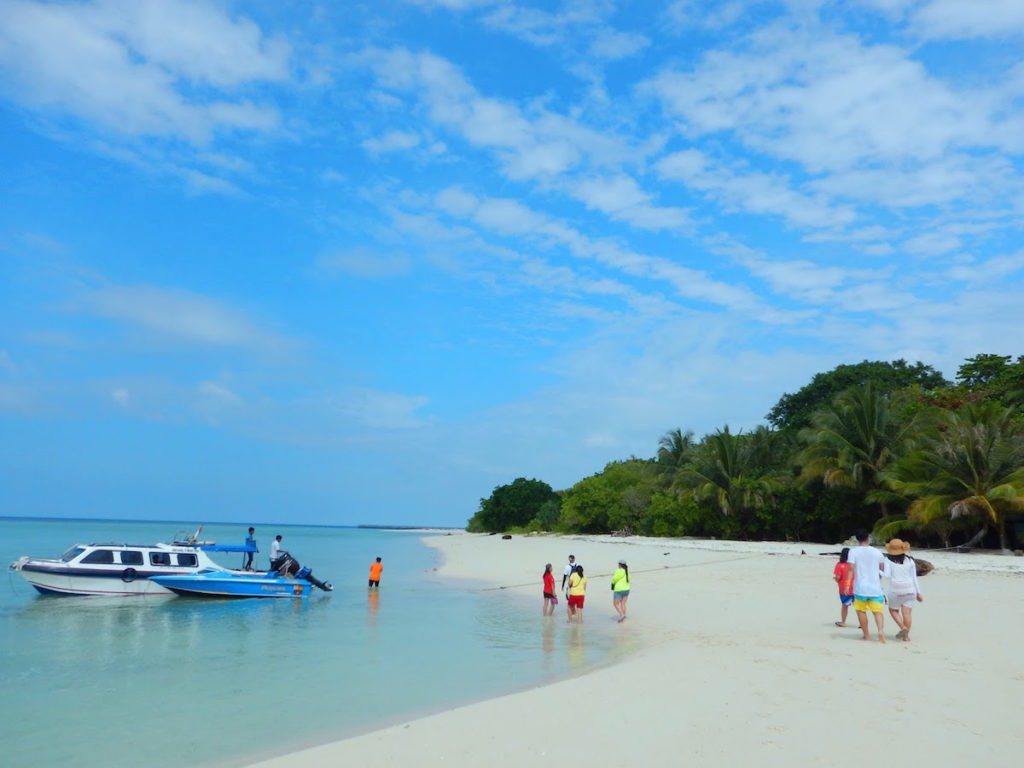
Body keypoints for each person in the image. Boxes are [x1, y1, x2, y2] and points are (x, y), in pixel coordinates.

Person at [847, 529, 890, 643]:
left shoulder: (853, 552)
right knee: (878, 612)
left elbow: (850, 569)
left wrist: (847, 585)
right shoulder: (877, 552)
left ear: (857, 539)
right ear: (868, 538)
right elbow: (882, 568)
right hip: (875, 587)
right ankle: (880, 631)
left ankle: (866, 635)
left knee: (861, 611)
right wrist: (878, 579)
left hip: (860, 587)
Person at [884, 539, 923, 641]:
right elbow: (914, 577)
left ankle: (903, 628)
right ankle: (906, 637)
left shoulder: (887, 560)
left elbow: (887, 575)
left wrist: (878, 571)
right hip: (911, 589)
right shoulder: (910, 560)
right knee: (907, 613)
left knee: (893, 610)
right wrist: (919, 593)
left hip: (896, 589)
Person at [833, 547, 855, 627]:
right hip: (856, 588)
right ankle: (862, 624)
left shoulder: (839, 565)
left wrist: (835, 579)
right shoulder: (854, 564)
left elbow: (838, 577)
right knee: (859, 607)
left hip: (844, 589)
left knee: (845, 606)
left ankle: (843, 622)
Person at [611, 558, 630, 622]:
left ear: (620, 564)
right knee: (623, 603)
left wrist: (612, 585)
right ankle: (624, 615)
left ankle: (621, 615)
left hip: (619, 589)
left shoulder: (618, 570)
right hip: (627, 589)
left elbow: (614, 579)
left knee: (615, 604)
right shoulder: (627, 571)